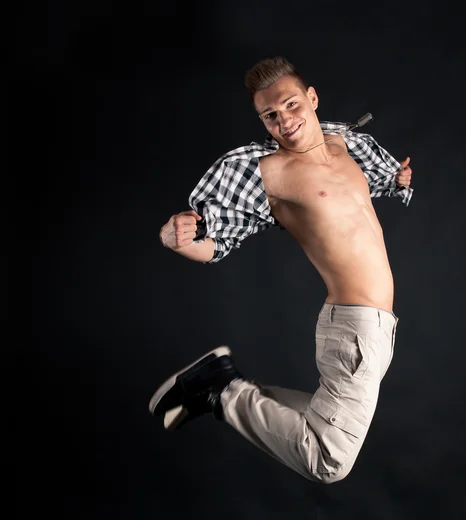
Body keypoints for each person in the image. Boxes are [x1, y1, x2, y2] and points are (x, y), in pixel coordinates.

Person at [150, 56, 414, 484]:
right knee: (328, 461)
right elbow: (213, 240)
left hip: (379, 327)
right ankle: (222, 390)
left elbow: (371, 186)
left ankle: (216, 386)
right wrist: (174, 238)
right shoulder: (268, 173)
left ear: (311, 98)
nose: (284, 120)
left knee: (319, 423)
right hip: (353, 327)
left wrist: (397, 182)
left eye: (291, 105)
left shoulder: (344, 145)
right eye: (270, 115)